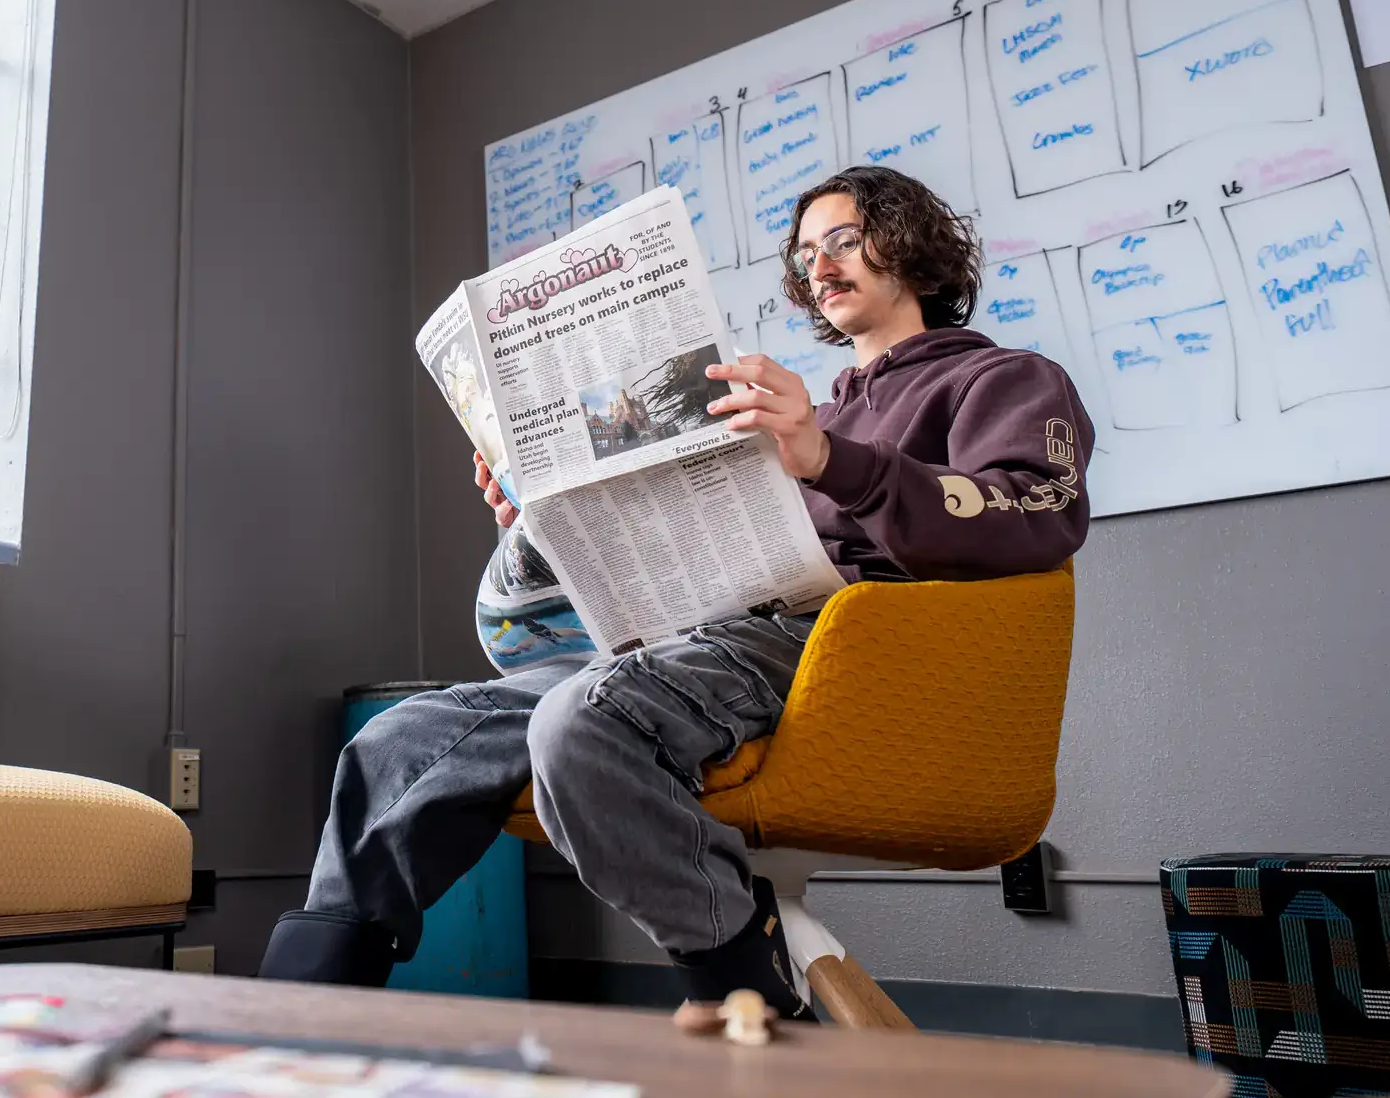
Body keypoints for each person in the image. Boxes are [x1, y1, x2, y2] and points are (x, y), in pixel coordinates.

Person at [258, 165, 1096, 1014]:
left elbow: (1038, 512)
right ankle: (292, 1026)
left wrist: (830, 461)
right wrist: (540, 515)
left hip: (840, 648)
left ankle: (745, 988)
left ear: (913, 245)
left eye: (846, 239)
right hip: (703, 639)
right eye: (807, 252)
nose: (822, 265)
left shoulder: (1004, 380)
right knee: (402, 741)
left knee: (583, 721)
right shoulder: (803, 409)